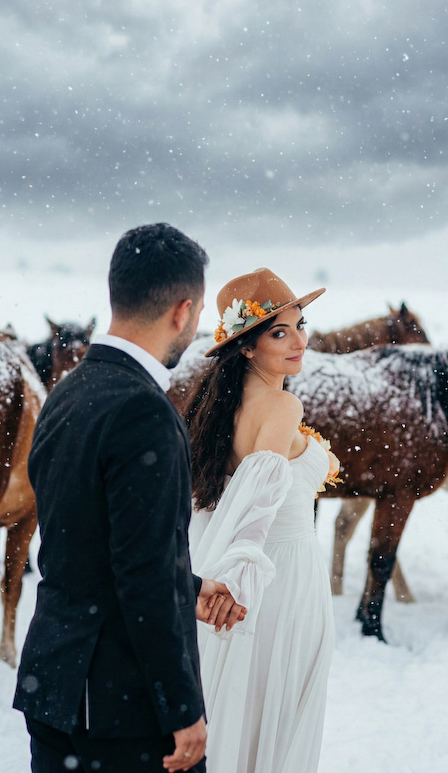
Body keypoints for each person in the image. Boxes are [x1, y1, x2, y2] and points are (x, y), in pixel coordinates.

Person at [14, 223, 245, 773]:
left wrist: (186, 585)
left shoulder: (66, 393)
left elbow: (92, 543)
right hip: (120, 710)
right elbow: (140, 572)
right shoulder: (145, 413)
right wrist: (181, 708)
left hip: (54, 683)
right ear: (183, 311)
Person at [184, 268, 336, 773]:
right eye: (279, 332)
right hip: (281, 576)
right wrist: (240, 575)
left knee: (245, 705)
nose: (298, 340)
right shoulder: (282, 404)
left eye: (300, 325)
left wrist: (222, 571)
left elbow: (218, 499)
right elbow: (261, 491)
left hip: (250, 568)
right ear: (246, 347)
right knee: (277, 710)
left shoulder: (218, 407)